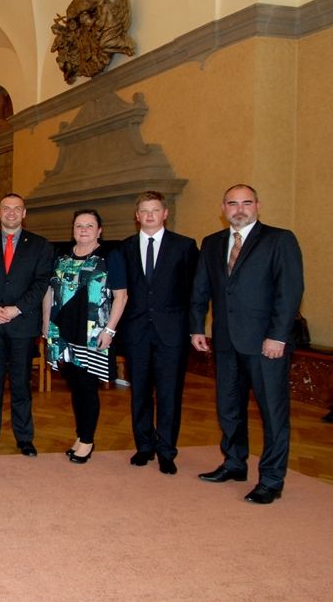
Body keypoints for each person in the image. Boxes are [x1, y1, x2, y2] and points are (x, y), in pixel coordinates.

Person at [191, 184, 304, 504]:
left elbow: (290, 291)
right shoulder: (212, 243)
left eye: (246, 203)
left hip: (266, 343)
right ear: (223, 207)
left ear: (257, 205)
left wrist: (278, 335)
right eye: (232, 203)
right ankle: (234, 463)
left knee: (273, 413)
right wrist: (197, 327)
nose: (239, 209)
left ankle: (271, 479)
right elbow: (201, 289)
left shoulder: (279, 240)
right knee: (228, 408)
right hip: (225, 341)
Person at [119, 191, 199, 475]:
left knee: (169, 393)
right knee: (139, 391)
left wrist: (195, 330)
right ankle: (144, 446)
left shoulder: (185, 246)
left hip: (172, 333)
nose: (150, 215)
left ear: (165, 213)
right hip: (136, 331)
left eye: (155, 210)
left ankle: (166, 450)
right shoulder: (125, 248)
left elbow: (194, 292)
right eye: (144, 210)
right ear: (137, 215)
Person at [43, 209, 127, 464]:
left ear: (99, 230)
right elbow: (49, 291)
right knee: (75, 386)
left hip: (93, 333)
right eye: (79, 225)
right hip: (62, 332)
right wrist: (45, 323)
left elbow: (121, 296)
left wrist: (110, 330)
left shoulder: (110, 257)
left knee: (88, 387)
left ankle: (87, 440)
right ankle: (81, 436)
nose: (83, 230)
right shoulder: (62, 257)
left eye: (89, 226)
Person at [0, 193, 53, 457]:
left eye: (16, 209)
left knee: (21, 384)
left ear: (24, 213)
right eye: (6, 208)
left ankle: (24, 437)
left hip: (22, 324)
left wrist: (17, 308)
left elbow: (42, 283)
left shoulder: (40, 245)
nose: (11, 213)